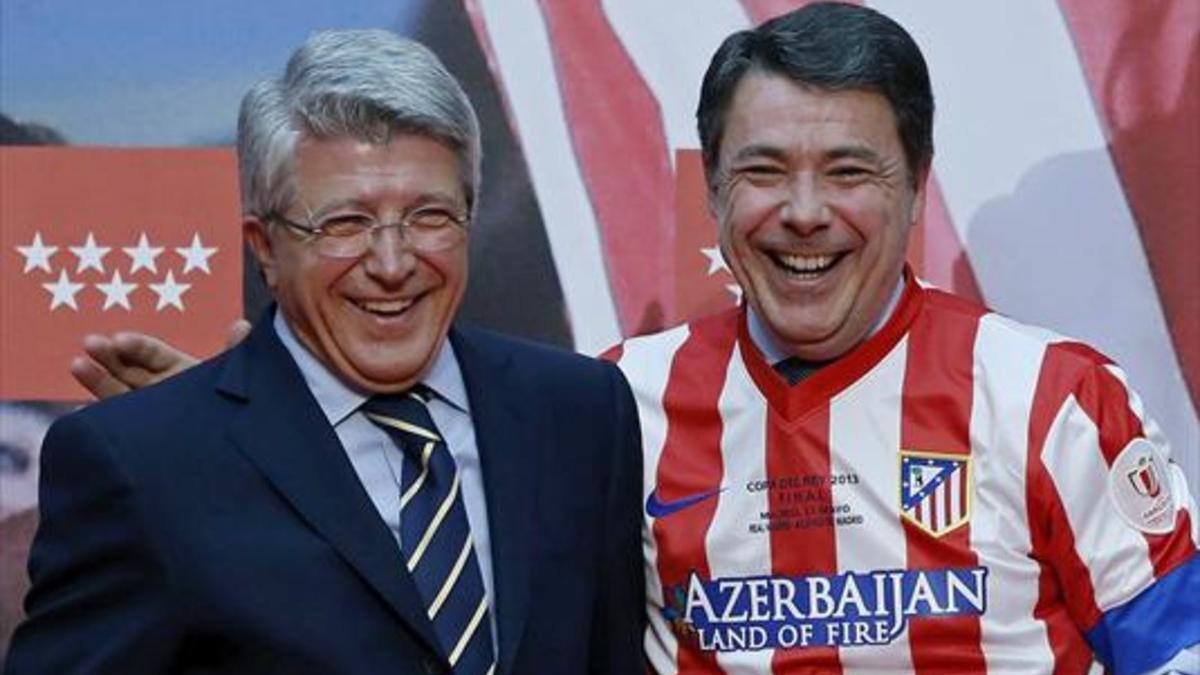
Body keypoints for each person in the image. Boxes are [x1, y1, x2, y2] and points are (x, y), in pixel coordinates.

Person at [59, 5, 1200, 674]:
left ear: (914, 191)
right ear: (711, 197)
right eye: (762, 171)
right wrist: (238, 437)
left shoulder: (1053, 396)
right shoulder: (608, 407)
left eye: (850, 170)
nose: (804, 212)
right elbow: (391, 534)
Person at [6, 29, 643, 674]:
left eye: (429, 216)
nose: (393, 264)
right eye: (345, 223)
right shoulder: (141, 464)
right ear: (264, 248)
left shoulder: (581, 411)